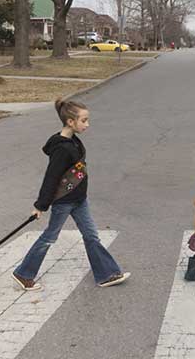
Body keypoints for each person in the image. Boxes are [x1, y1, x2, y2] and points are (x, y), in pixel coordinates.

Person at [13, 99, 130, 291]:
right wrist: (40, 206)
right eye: (84, 120)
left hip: (79, 200)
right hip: (64, 202)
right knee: (50, 237)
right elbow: (51, 178)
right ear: (70, 122)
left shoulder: (73, 141)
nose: (87, 124)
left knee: (91, 236)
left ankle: (106, 275)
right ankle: (24, 274)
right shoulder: (62, 149)